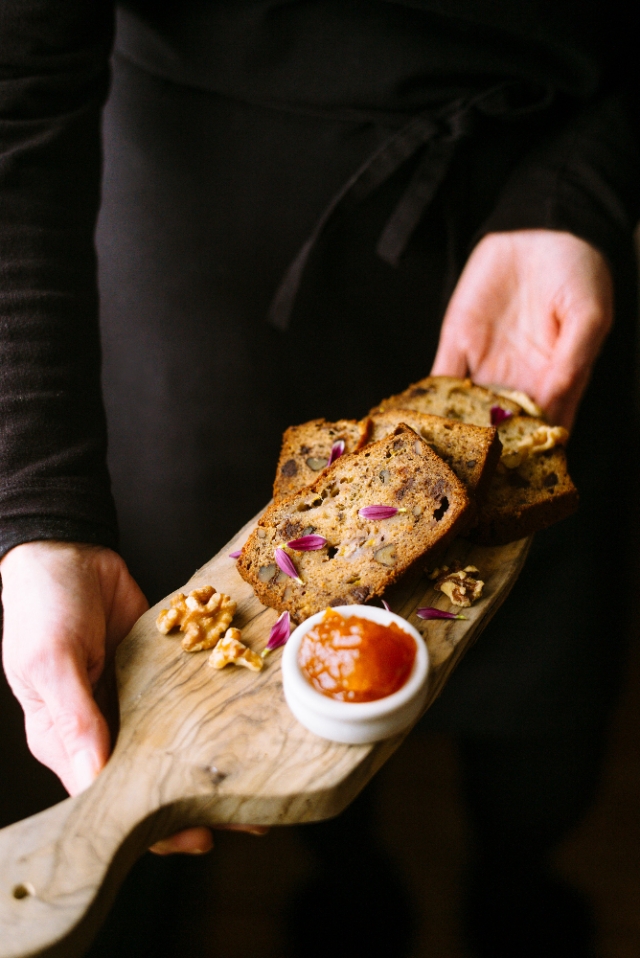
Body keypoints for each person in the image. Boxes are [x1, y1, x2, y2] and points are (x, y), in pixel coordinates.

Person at [1, 2, 639, 955]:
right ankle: (345, 872)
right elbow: (15, 101)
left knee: (541, 718)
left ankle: (520, 875)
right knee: (273, 679)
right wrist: (38, 506)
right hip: (209, 273)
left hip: (540, 258)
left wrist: (583, 189)